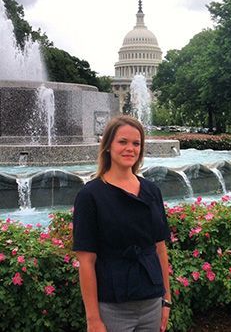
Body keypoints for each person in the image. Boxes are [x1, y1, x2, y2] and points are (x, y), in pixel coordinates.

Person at [73, 115, 171, 332]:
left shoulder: (151, 190)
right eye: (122, 142)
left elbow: (159, 248)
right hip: (112, 306)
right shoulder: (90, 195)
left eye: (136, 144)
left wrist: (166, 299)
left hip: (151, 301)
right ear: (108, 146)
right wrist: (93, 319)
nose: (130, 149)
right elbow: (86, 261)